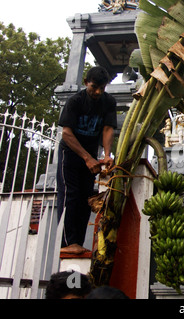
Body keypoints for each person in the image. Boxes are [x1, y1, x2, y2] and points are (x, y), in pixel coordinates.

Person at [57, 66, 117, 255]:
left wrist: (107, 155)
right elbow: (66, 133)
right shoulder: (75, 102)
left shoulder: (108, 102)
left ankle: (78, 242)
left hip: (90, 155)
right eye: (94, 87)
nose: (98, 92)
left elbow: (108, 129)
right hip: (71, 153)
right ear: (86, 83)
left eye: (102, 88)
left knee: (85, 198)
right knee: (71, 195)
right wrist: (87, 158)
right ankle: (68, 242)